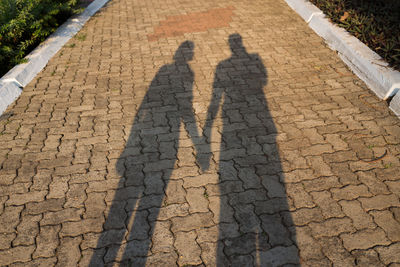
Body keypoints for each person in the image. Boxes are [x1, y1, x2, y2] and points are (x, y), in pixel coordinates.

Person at [203, 34, 299, 265]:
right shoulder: (249, 60)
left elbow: (217, 94)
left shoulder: (224, 65)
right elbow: (262, 80)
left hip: (240, 120)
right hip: (259, 117)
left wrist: (207, 125)